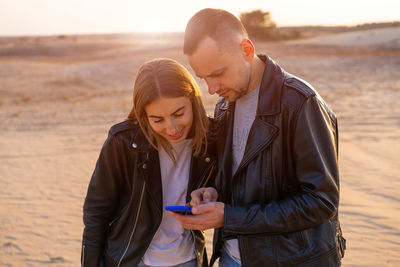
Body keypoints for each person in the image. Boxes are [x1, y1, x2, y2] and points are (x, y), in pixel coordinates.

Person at [168, 8, 346, 267]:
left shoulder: (300, 103)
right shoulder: (224, 106)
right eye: (203, 78)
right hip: (232, 257)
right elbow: (242, 181)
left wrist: (229, 217)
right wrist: (213, 193)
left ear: (247, 50)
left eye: (217, 73)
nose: (211, 88)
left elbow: (320, 202)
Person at [81, 58, 217, 267]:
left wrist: (212, 195)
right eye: (157, 119)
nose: (172, 128)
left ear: (193, 101)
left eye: (178, 114)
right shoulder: (123, 142)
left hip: (189, 260)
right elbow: (96, 213)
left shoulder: (213, 137)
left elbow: (226, 191)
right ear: (144, 115)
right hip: (132, 260)